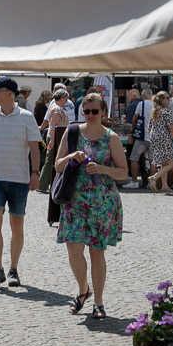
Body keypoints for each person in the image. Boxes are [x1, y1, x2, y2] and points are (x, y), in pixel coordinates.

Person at [57, 92, 129, 320]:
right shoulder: (72, 132)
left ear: (103, 112)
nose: (90, 115)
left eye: (94, 111)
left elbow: (123, 173)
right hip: (74, 201)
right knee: (73, 249)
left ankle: (98, 301)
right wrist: (71, 157)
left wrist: (101, 168)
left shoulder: (111, 138)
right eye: (86, 111)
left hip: (101, 202)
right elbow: (57, 166)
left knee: (97, 252)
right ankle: (83, 289)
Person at [0, 77, 44, 289]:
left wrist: (35, 172)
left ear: (10, 94)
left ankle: (14, 268)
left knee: (16, 224)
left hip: (19, 179)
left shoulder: (27, 117)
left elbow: (34, 147)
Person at [146, 90, 173, 192]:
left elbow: (149, 127)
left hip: (154, 137)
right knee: (171, 163)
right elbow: (171, 126)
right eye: (167, 98)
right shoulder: (166, 111)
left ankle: (165, 186)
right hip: (164, 137)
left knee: (164, 163)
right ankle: (154, 177)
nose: (169, 100)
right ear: (162, 100)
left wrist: (152, 141)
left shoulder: (154, 111)